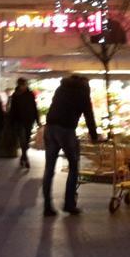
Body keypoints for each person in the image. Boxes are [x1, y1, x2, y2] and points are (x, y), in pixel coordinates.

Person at [42, 75, 100, 216]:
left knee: (49, 169)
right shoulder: (83, 92)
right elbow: (88, 115)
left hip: (50, 128)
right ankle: (69, 204)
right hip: (66, 130)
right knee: (74, 166)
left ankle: (47, 206)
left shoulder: (61, 88)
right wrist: (94, 136)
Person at [7, 78, 40, 169]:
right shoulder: (15, 95)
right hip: (19, 121)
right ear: (19, 85)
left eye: (25, 84)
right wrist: (11, 122)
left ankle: (23, 157)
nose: (24, 86)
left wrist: (37, 120)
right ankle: (25, 159)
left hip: (29, 121)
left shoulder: (30, 94)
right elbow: (12, 110)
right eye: (22, 85)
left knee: (26, 140)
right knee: (23, 140)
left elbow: (34, 107)